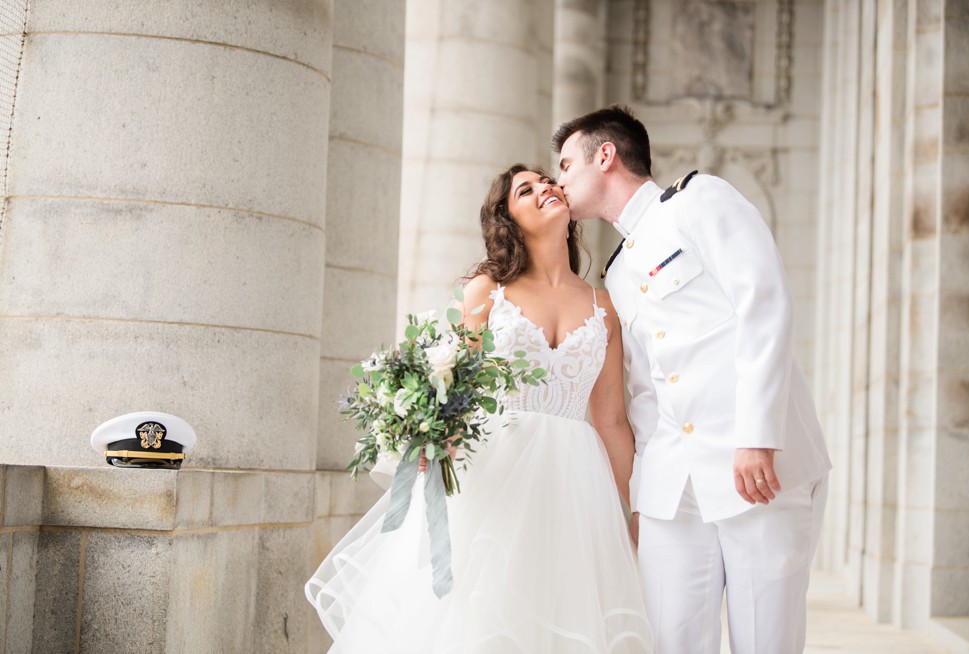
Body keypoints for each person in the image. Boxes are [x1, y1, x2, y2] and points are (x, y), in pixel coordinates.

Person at [305, 164, 654, 653]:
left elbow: (612, 420)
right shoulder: (487, 291)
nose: (545, 188)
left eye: (547, 181)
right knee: (477, 617)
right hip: (493, 476)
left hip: (576, 489)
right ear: (506, 221)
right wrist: (431, 434)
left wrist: (641, 508)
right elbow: (453, 386)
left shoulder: (605, 307)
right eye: (525, 190)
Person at [552, 104, 832, 654]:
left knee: (764, 641)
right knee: (669, 641)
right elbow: (646, 391)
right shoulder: (621, 268)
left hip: (755, 468)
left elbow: (764, 305)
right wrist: (641, 495)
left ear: (604, 155)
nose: (559, 181)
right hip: (671, 489)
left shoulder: (700, 200)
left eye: (565, 164)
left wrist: (757, 435)